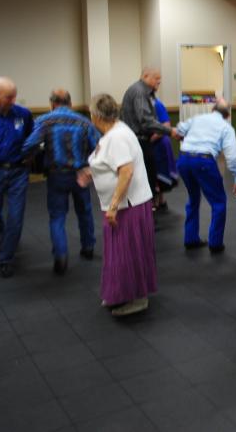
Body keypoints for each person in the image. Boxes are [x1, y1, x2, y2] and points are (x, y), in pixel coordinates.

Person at [80, 94, 157, 317]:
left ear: (95, 116)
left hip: (128, 205)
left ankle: (137, 298)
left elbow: (126, 171)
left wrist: (113, 205)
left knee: (129, 252)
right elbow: (109, 162)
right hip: (123, 205)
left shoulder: (117, 136)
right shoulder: (114, 132)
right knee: (118, 252)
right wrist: (92, 172)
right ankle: (120, 293)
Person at [21, 89, 98, 275]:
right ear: (70, 103)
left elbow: (29, 145)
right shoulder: (84, 121)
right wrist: (90, 168)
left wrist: (29, 158)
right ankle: (88, 247)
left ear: (52, 104)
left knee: (57, 216)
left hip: (56, 175)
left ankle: (61, 257)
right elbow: (99, 146)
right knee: (85, 211)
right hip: (80, 174)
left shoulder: (44, 121)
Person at [174, 99, 236, 254]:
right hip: (204, 161)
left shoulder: (197, 118)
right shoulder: (226, 127)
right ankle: (215, 243)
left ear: (212, 109)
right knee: (218, 202)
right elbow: (232, 157)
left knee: (193, 198)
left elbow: (179, 129)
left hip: (183, 159)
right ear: (227, 115)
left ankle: (190, 238)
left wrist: (184, 136)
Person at [0, 77, 34, 278]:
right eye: (8, 97)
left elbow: (32, 137)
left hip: (18, 172)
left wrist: (31, 154)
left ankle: (6, 258)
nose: (13, 101)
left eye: (14, 96)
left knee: (16, 216)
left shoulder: (23, 115)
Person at [120, 69, 174, 211]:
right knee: (146, 178)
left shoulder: (142, 92)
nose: (159, 81)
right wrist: (170, 131)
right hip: (140, 141)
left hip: (139, 140)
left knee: (147, 176)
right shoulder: (140, 92)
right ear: (145, 76)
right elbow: (145, 120)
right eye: (156, 78)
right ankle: (146, 212)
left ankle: (147, 209)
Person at [152, 97, 178, 209]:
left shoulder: (157, 104)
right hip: (154, 143)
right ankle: (159, 201)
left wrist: (150, 139)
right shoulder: (143, 104)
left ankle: (158, 201)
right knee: (155, 172)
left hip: (159, 142)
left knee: (158, 171)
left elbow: (166, 125)